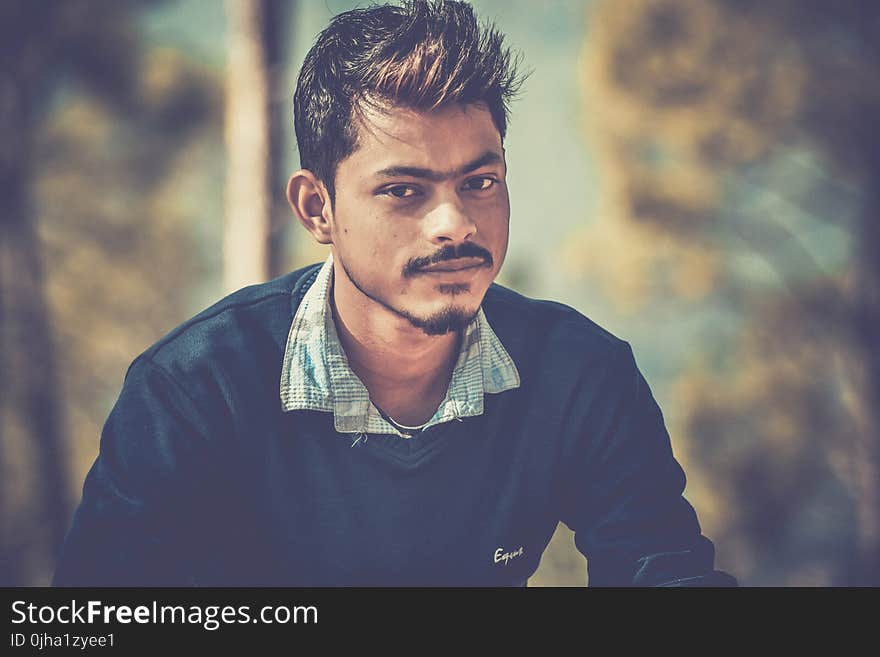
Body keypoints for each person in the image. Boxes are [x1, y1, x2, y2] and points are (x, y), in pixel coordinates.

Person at [53, 0, 736, 587]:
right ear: (317, 207)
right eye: (404, 190)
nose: (457, 223)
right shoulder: (193, 393)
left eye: (480, 181)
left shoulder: (581, 376)